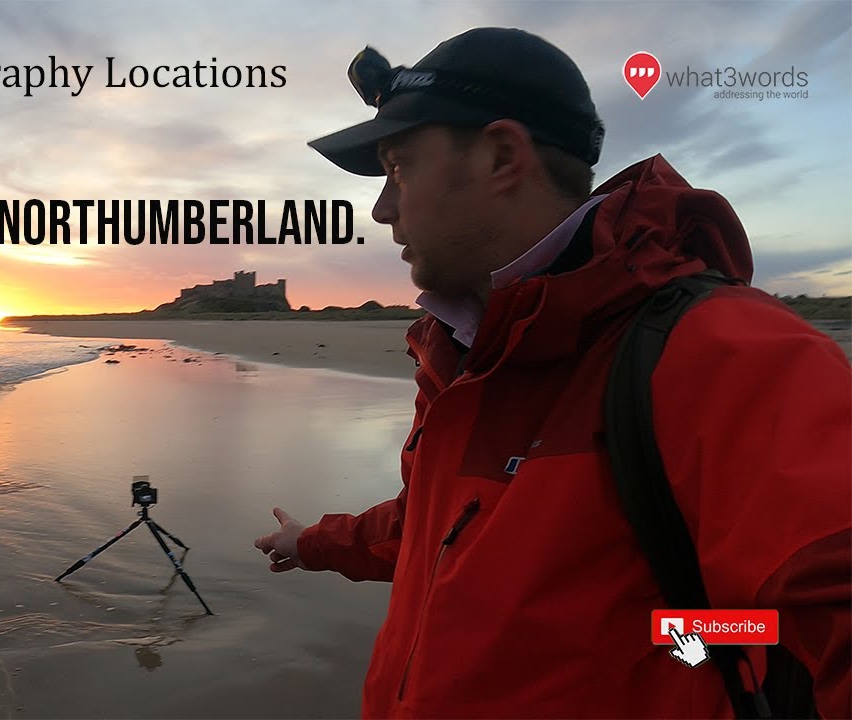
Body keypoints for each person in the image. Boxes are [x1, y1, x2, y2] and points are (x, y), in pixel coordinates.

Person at [253, 27, 851, 718]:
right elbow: (430, 526)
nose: (384, 209)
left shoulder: (728, 353)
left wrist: (676, 639)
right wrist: (314, 542)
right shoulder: (460, 355)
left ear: (503, 156)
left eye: (400, 167)